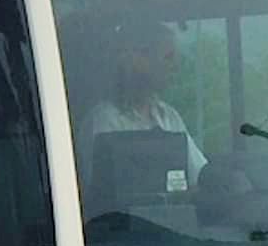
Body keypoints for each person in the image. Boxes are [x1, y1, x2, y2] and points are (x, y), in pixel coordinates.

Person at [86, 23, 207, 181]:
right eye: (168, 57)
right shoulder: (104, 121)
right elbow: (100, 189)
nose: (175, 67)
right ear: (136, 59)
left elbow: (199, 175)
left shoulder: (169, 117)